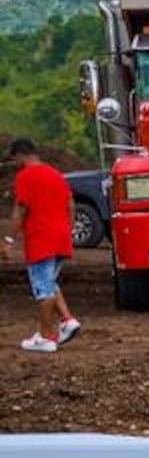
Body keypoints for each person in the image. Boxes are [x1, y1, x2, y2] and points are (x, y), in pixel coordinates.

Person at [5, 137, 80, 353]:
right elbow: (70, 204)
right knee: (49, 281)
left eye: (15, 159)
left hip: (41, 239)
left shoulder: (24, 176)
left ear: (20, 154)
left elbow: (21, 208)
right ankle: (67, 320)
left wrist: (9, 239)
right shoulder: (56, 174)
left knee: (42, 288)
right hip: (61, 237)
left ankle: (47, 337)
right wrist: (69, 229)